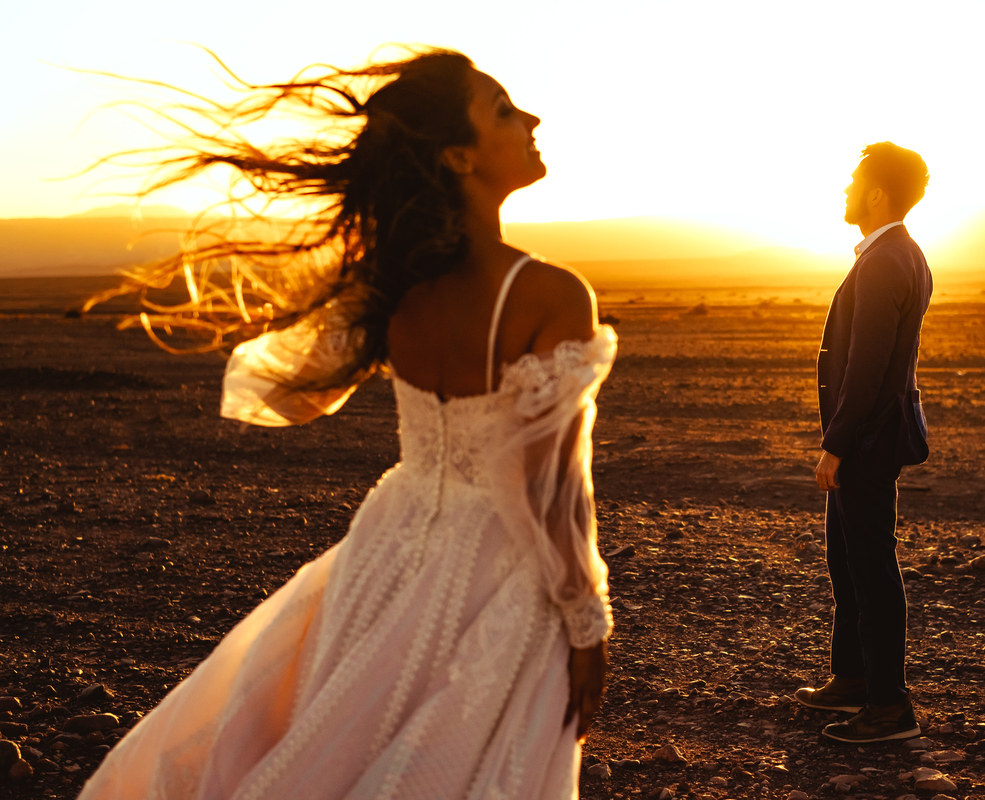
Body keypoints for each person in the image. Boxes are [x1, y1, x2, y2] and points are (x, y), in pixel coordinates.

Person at [79, 48, 615, 799]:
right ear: (458, 156)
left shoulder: (393, 287)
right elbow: (551, 488)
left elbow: (291, 392)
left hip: (386, 553)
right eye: (502, 109)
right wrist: (587, 622)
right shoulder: (549, 294)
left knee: (330, 747)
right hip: (499, 572)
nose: (530, 119)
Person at [796, 142, 932, 743]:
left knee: (871, 568)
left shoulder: (884, 262)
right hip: (872, 439)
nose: (845, 191)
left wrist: (837, 445)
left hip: (867, 443)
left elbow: (867, 368)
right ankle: (851, 679)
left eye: (854, 182)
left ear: (877, 192)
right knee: (847, 562)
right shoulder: (901, 255)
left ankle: (888, 706)